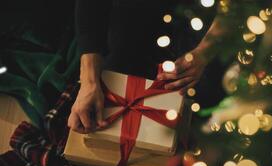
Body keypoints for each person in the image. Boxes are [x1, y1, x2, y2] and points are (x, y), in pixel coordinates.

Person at [68, 0, 235, 133]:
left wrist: (204, 52)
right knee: (105, 97)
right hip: (135, 12)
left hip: (205, 18)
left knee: (204, 99)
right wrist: (89, 82)